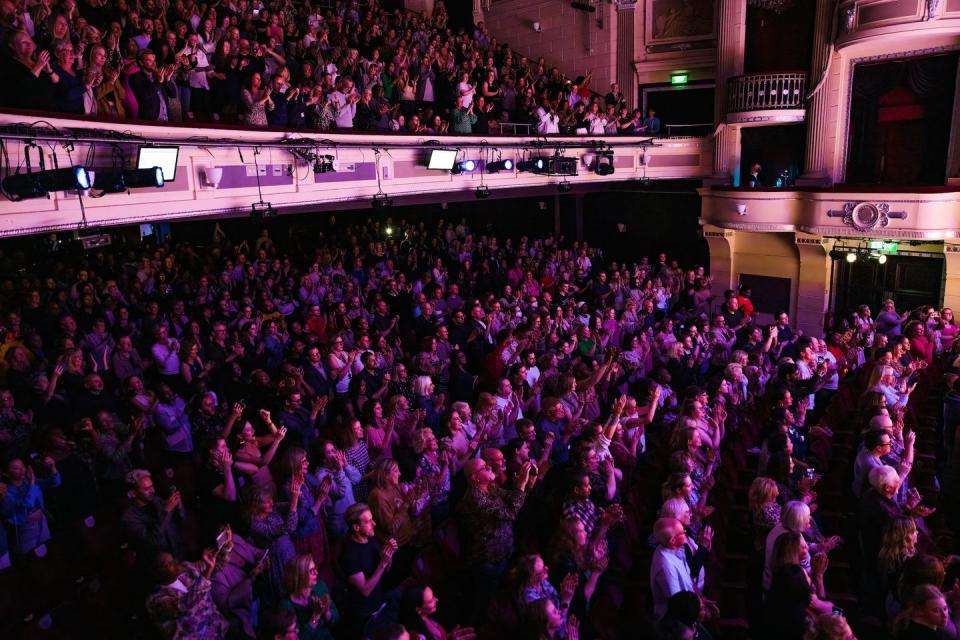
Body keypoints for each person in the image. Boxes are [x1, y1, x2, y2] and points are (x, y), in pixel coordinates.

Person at [146, 549, 230, 639]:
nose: (175, 562)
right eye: (169, 563)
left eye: (173, 559)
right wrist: (208, 571)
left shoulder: (185, 568)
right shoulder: (155, 600)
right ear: (157, 573)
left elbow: (212, 566)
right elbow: (184, 604)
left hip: (218, 627)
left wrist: (223, 550)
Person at [281, 554, 340, 640]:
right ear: (300, 576)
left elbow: (336, 620)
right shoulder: (286, 604)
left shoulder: (320, 587)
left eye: (315, 568)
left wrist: (326, 612)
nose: (317, 572)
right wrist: (315, 616)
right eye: (312, 570)